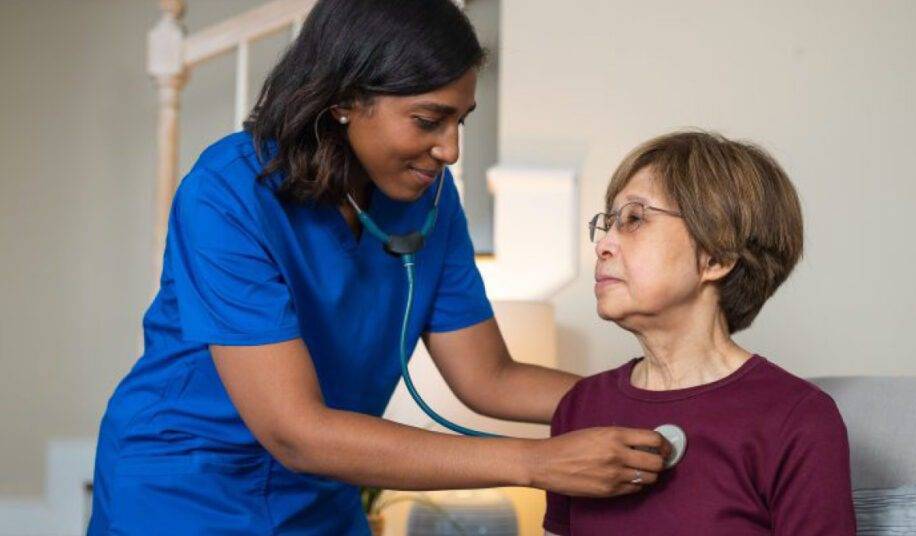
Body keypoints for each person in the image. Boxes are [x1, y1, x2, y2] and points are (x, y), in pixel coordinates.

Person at [88, 1, 669, 533]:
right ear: (342, 100)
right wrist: (534, 461)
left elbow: (489, 377)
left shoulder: (430, 201)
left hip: (321, 492)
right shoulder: (227, 194)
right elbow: (295, 431)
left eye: (459, 122)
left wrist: (653, 395)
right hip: (184, 490)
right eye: (427, 120)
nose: (450, 151)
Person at [543, 131, 856, 535]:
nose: (603, 244)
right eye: (607, 224)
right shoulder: (581, 407)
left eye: (634, 219)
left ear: (716, 256)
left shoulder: (799, 419)